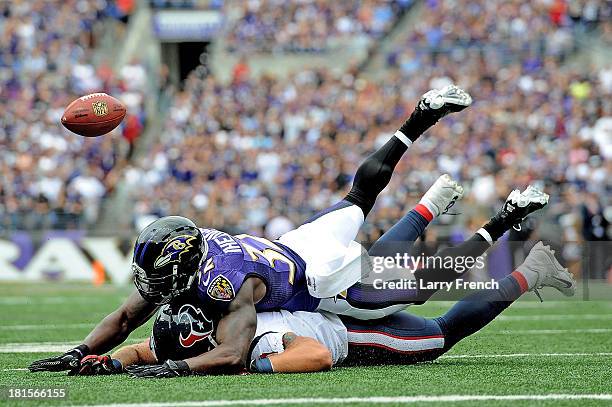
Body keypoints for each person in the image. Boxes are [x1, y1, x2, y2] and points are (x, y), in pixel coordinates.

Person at [29, 85, 472, 376]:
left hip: (318, 277)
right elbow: (127, 317)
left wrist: (180, 368)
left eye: (162, 277)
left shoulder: (224, 280)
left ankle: (481, 231)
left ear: (184, 265)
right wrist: (81, 349)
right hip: (294, 245)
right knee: (359, 196)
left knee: (411, 291)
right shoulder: (191, 252)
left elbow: (232, 354)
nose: (154, 288)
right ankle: (419, 119)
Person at [70, 241, 575, 377]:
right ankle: (506, 255)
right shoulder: (205, 315)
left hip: (347, 330)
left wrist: (257, 365)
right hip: (317, 285)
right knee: (396, 274)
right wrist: (108, 361)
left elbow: (313, 355)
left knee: (437, 334)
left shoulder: (240, 330)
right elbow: (147, 347)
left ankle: (527, 270)